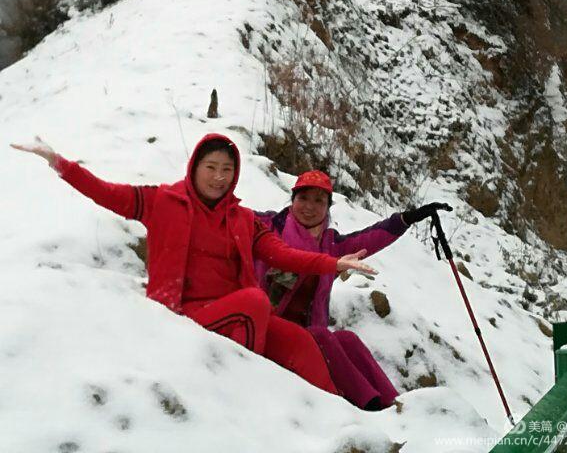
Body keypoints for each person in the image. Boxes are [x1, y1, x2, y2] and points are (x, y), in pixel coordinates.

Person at [11, 134, 377, 396]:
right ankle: (245, 392)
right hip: (182, 314)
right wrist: (61, 165)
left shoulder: (243, 218)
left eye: (227, 170)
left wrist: (332, 262)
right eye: (211, 167)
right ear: (194, 168)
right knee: (255, 302)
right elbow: (107, 193)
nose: (219, 177)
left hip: (236, 312)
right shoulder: (162, 201)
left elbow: (282, 254)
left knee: (297, 339)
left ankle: (335, 411)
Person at [255, 169, 452, 410]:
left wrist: (408, 218)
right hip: (267, 329)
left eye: (319, 200)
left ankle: (396, 404)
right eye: (303, 198)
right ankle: (370, 406)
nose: (309, 206)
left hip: (307, 334)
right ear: (292, 199)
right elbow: (230, 213)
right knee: (321, 336)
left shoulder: (331, 244)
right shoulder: (268, 227)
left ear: (328, 206)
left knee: (346, 338)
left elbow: (371, 238)